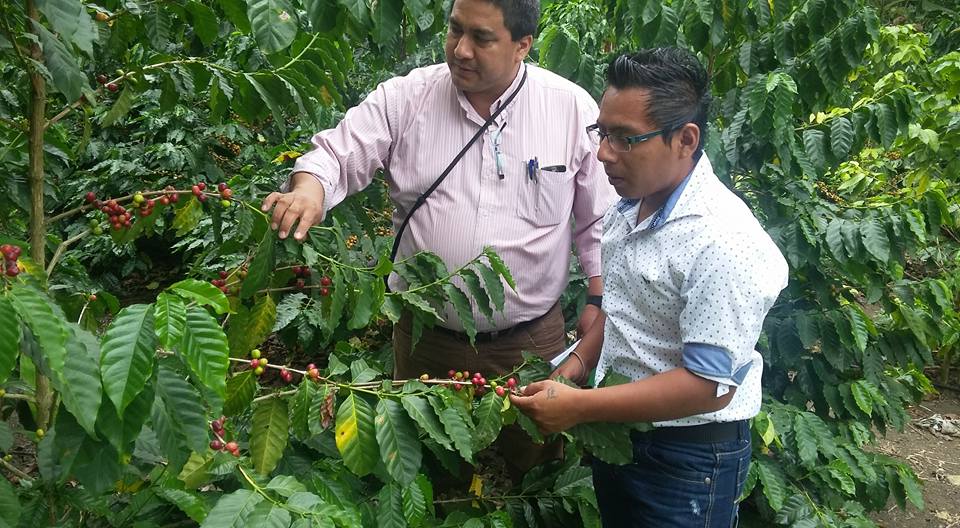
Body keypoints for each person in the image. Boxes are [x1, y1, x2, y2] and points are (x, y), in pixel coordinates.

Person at [261, 0, 616, 475]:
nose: (460, 50)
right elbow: (339, 152)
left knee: (533, 467)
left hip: (530, 342)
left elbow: (599, 219)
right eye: (454, 31)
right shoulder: (407, 99)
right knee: (420, 466)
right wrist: (309, 188)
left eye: (481, 38)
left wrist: (597, 295)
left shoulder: (569, 109)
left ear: (522, 46)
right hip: (426, 337)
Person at [510, 48, 789, 527]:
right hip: (623, 434)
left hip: (688, 463)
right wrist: (572, 370)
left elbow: (708, 386)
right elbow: (620, 313)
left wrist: (581, 408)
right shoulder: (628, 208)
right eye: (601, 133)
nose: (602, 153)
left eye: (625, 138)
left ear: (685, 139)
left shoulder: (721, 240)